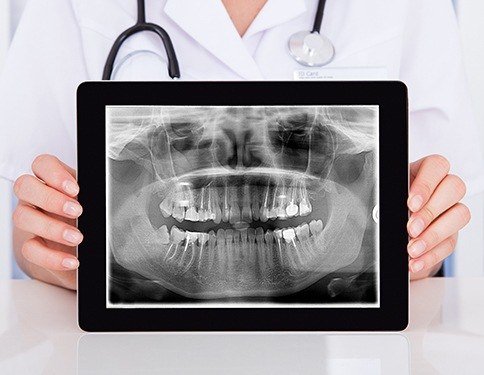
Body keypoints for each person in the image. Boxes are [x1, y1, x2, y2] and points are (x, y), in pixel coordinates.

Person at [0, 0, 481, 291]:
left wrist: (424, 239)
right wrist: (53, 254)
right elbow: (34, 220)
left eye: (297, 139)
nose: (237, 161)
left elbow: (433, 201)